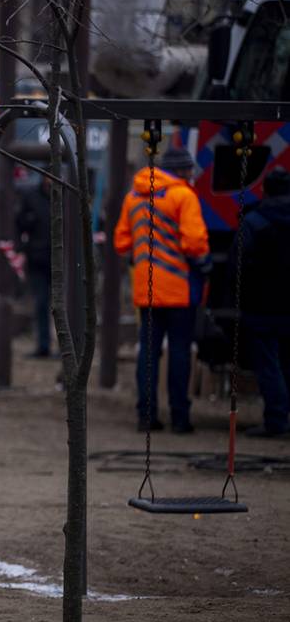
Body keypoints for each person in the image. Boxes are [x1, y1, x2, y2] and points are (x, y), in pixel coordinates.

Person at [114, 147, 210, 434]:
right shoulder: (183, 196)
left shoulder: (133, 197)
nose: (192, 175)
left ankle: (146, 415)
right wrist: (204, 264)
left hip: (147, 289)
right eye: (190, 170)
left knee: (148, 353)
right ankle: (180, 418)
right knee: (179, 352)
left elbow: (121, 242)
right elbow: (194, 243)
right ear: (181, 171)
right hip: (180, 290)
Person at [233, 169, 290, 437]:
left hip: (262, 306)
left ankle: (277, 420)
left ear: (264, 190)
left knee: (269, 366)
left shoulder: (253, 222)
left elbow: (236, 264)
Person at [16, 172, 53, 358]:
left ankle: (60, 347)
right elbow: (19, 224)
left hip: (57, 260)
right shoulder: (31, 198)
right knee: (41, 304)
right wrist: (21, 247)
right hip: (38, 259)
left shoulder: (62, 198)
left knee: (59, 306)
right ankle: (44, 345)